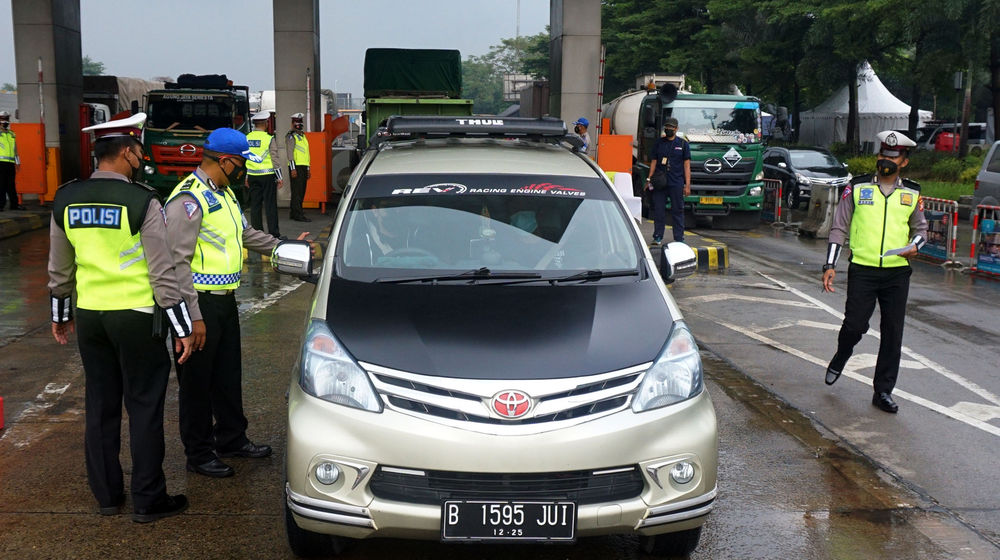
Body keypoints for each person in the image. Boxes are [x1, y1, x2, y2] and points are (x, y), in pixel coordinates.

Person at [47, 113, 195, 522]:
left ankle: (107, 496)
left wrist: (61, 314)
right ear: (128, 153)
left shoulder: (66, 197)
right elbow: (162, 272)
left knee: (101, 405)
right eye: (138, 151)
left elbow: (60, 268)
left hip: (92, 316)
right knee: (144, 407)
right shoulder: (142, 200)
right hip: (135, 315)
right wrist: (181, 328)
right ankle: (148, 499)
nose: (141, 157)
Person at [164, 128, 302, 477]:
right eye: (241, 165)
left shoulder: (223, 194)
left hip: (224, 303)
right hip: (198, 304)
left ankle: (231, 438)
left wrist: (284, 246)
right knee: (196, 383)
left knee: (227, 375)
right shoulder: (188, 200)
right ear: (225, 162)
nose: (243, 171)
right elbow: (176, 262)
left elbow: (244, 234)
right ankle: (199, 453)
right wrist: (193, 318)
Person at [822, 130, 927, 414]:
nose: (886, 161)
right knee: (855, 325)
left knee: (893, 333)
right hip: (863, 270)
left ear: (903, 161)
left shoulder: (911, 193)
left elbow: (921, 230)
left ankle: (883, 391)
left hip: (896, 274)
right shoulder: (856, 187)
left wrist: (915, 246)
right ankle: (842, 354)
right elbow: (839, 227)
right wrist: (830, 264)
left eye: (893, 157)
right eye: (883, 155)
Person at [645, 117, 691, 245]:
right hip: (660, 182)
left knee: (678, 210)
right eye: (667, 127)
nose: (669, 129)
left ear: (676, 129)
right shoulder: (659, 143)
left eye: (671, 127)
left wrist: (687, 185)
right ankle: (658, 236)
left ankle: (679, 238)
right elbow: (653, 161)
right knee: (659, 210)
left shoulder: (683, 144)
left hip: (676, 182)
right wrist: (649, 179)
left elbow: (687, 165)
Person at [245, 111, 283, 237]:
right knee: (270, 205)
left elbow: (245, 158)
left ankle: (257, 233)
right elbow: (274, 158)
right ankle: (274, 233)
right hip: (267, 175)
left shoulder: (247, 138)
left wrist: (246, 176)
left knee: (255, 205)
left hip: (252, 176)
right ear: (266, 124)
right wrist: (279, 176)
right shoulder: (269, 138)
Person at [285, 112, 311, 222]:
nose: (299, 124)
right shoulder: (291, 136)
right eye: (297, 122)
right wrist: (293, 168)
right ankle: (298, 214)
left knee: (301, 191)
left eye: (300, 122)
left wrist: (308, 168)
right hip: (296, 166)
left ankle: (294, 211)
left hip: (303, 166)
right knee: (297, 191)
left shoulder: (302, 136)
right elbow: (290, 153)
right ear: (292, 123)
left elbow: (306, 153)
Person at [0, 110, 23, 211]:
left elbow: (15, 150)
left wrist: (18, 163)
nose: (5, 121)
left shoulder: (11, 134)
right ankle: (0, 205)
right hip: (0, 164)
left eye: (6, 119)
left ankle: (14, 205)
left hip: (10, 164)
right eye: (3, 119)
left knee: (11, 185)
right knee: (1, 185)